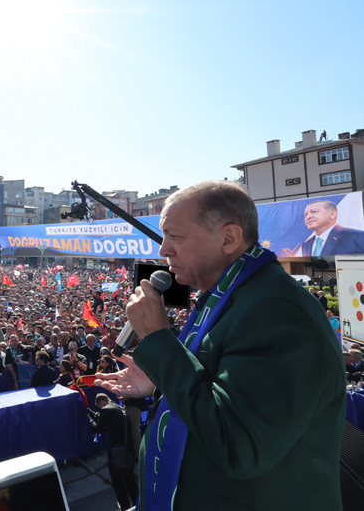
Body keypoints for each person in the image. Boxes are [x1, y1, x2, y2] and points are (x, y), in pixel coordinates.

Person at [97, 180, 346, 510]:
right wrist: (160, 376)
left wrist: (160, 341)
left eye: (176, 236)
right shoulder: (230, 295)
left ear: (228, 238)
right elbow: (216, 386)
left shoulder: (276, 310)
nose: (163, 250)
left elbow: (240, 446)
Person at [88, 394, 137, 510]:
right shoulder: (119, 408)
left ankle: (124, 506)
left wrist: (91, 420)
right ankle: (138, 503)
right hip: (129, 450)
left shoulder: (105, 411)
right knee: (130, 480)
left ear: (102, 404)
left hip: (116, 453)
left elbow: (98, 429)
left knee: (119, 482)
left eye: (100, 407)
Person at [300, 199, 364, 256]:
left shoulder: (357, 236)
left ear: (332, 214)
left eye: (314, 212)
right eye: (306, 214)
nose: (308, 217)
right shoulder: (306, 245)